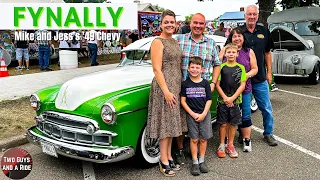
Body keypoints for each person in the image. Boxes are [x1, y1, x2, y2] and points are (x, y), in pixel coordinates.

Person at [175, 13, 221, 165]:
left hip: (202, 89)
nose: (198, 26)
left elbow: (217, 64)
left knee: (202, 118)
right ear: (190, 23)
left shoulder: (211, 43)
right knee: (182, 121)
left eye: (201, 23)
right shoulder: (180, 40)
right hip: (183, 87)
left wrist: (213, 82)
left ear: (205, 25)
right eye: (195, 23)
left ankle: (199, 154)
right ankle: (180, 149)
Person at [146, 9, 187, 177]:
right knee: (165, 124)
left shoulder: (175, 41)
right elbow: (156, 69)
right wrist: (166, 92)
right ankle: (163, 160)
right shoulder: (158, 42)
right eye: (166, 22)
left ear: (176, 24)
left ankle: (169, 156)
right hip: (164, 88)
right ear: (161, 24)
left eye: (172, 22)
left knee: (171, 124)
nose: (170, 24)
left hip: (175, 86)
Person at [240, 5, 278, 146]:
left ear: (257, 15)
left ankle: (268, 133)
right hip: (243, 79)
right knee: (244, 110)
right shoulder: (238, 32)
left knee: (266, 108)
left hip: (260, 77)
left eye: (254, 14)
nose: (251, 17)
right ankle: (243, 135)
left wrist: (269, 73)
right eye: (249, 14)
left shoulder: (264, 31)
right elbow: (228, 50)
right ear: (245, 16)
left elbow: (268, 53)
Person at [219, 27, 258, 152]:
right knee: (226, 116)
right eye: (234, 36)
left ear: (243, 37)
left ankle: (246, 139)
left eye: (239, 36)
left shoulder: (249, 51)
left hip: (244, 89)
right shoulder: (225, 50)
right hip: (226, 91)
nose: (237, 38)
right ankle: (225, 141)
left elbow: (255, 68)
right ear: (231, 38)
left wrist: (244, 76)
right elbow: (217, 64)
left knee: (245, 115)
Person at [180, 56, 212, 176]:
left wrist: (204, 113)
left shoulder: (205, 83)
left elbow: (209, 100)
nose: (194, 69)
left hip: (204, 114)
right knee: (194, 139)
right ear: (188, 69)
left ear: (202, 69)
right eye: (192, 67)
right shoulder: (185, 84)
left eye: (197, 67)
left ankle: (202, 160)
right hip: (191, 114)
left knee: (203, 139)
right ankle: (194, 162)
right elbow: (183, 101)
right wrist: (192, 113)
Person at [216, 43, 246, 158]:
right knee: (223, 123)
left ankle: (230, 144)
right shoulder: (221, 67)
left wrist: (232, 98)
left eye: (233, 52)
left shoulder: (241, 68)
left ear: (237, 54)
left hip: (235, 101)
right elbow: (218, 84)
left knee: (233, 124)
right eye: (229, 52)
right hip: (223, 101)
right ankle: (222, 144)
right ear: (225, 54)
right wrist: (225, 98)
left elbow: (242, 85)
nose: (231, 54)